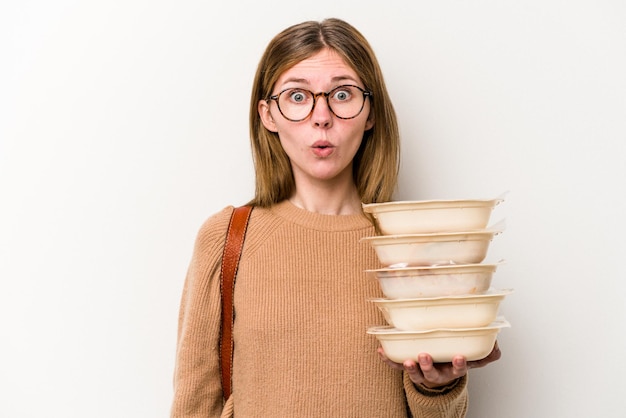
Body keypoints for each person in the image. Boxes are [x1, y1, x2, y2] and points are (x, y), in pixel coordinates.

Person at [170, 18, 501, 418]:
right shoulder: (226, 238)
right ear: (268, 115)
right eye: (297, 96)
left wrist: (438, 387)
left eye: (342, 94)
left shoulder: (412, 245)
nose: (321, 116)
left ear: (371, 112)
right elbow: (194, 405)